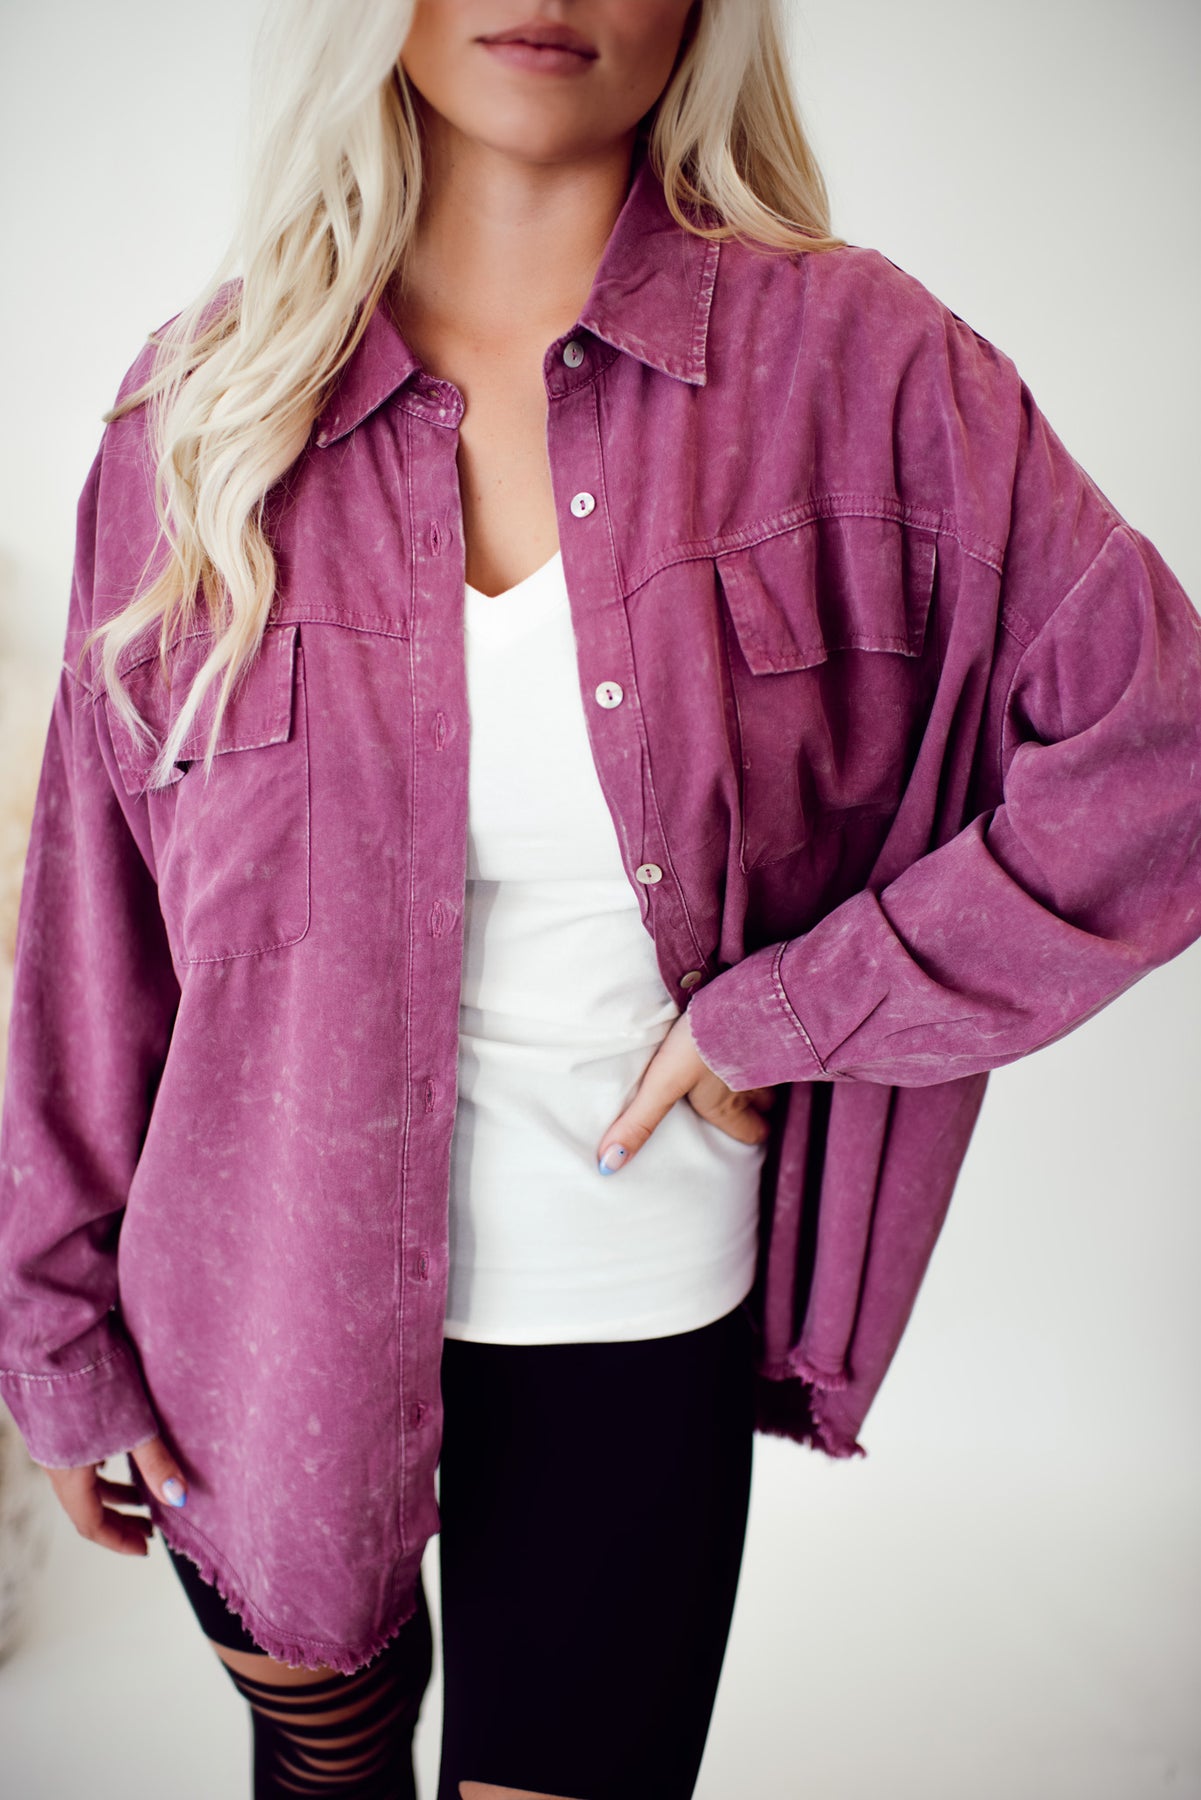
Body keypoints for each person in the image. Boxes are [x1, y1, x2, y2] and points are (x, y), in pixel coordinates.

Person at [1, 2, 1200, 1797]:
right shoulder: (204, 408)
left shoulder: (863, 372)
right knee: (320, 1775)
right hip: (250, 1323)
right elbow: (92, 921)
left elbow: (1161, 755)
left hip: (628, 1310)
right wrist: (50, 1324)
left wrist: (793, 1011)